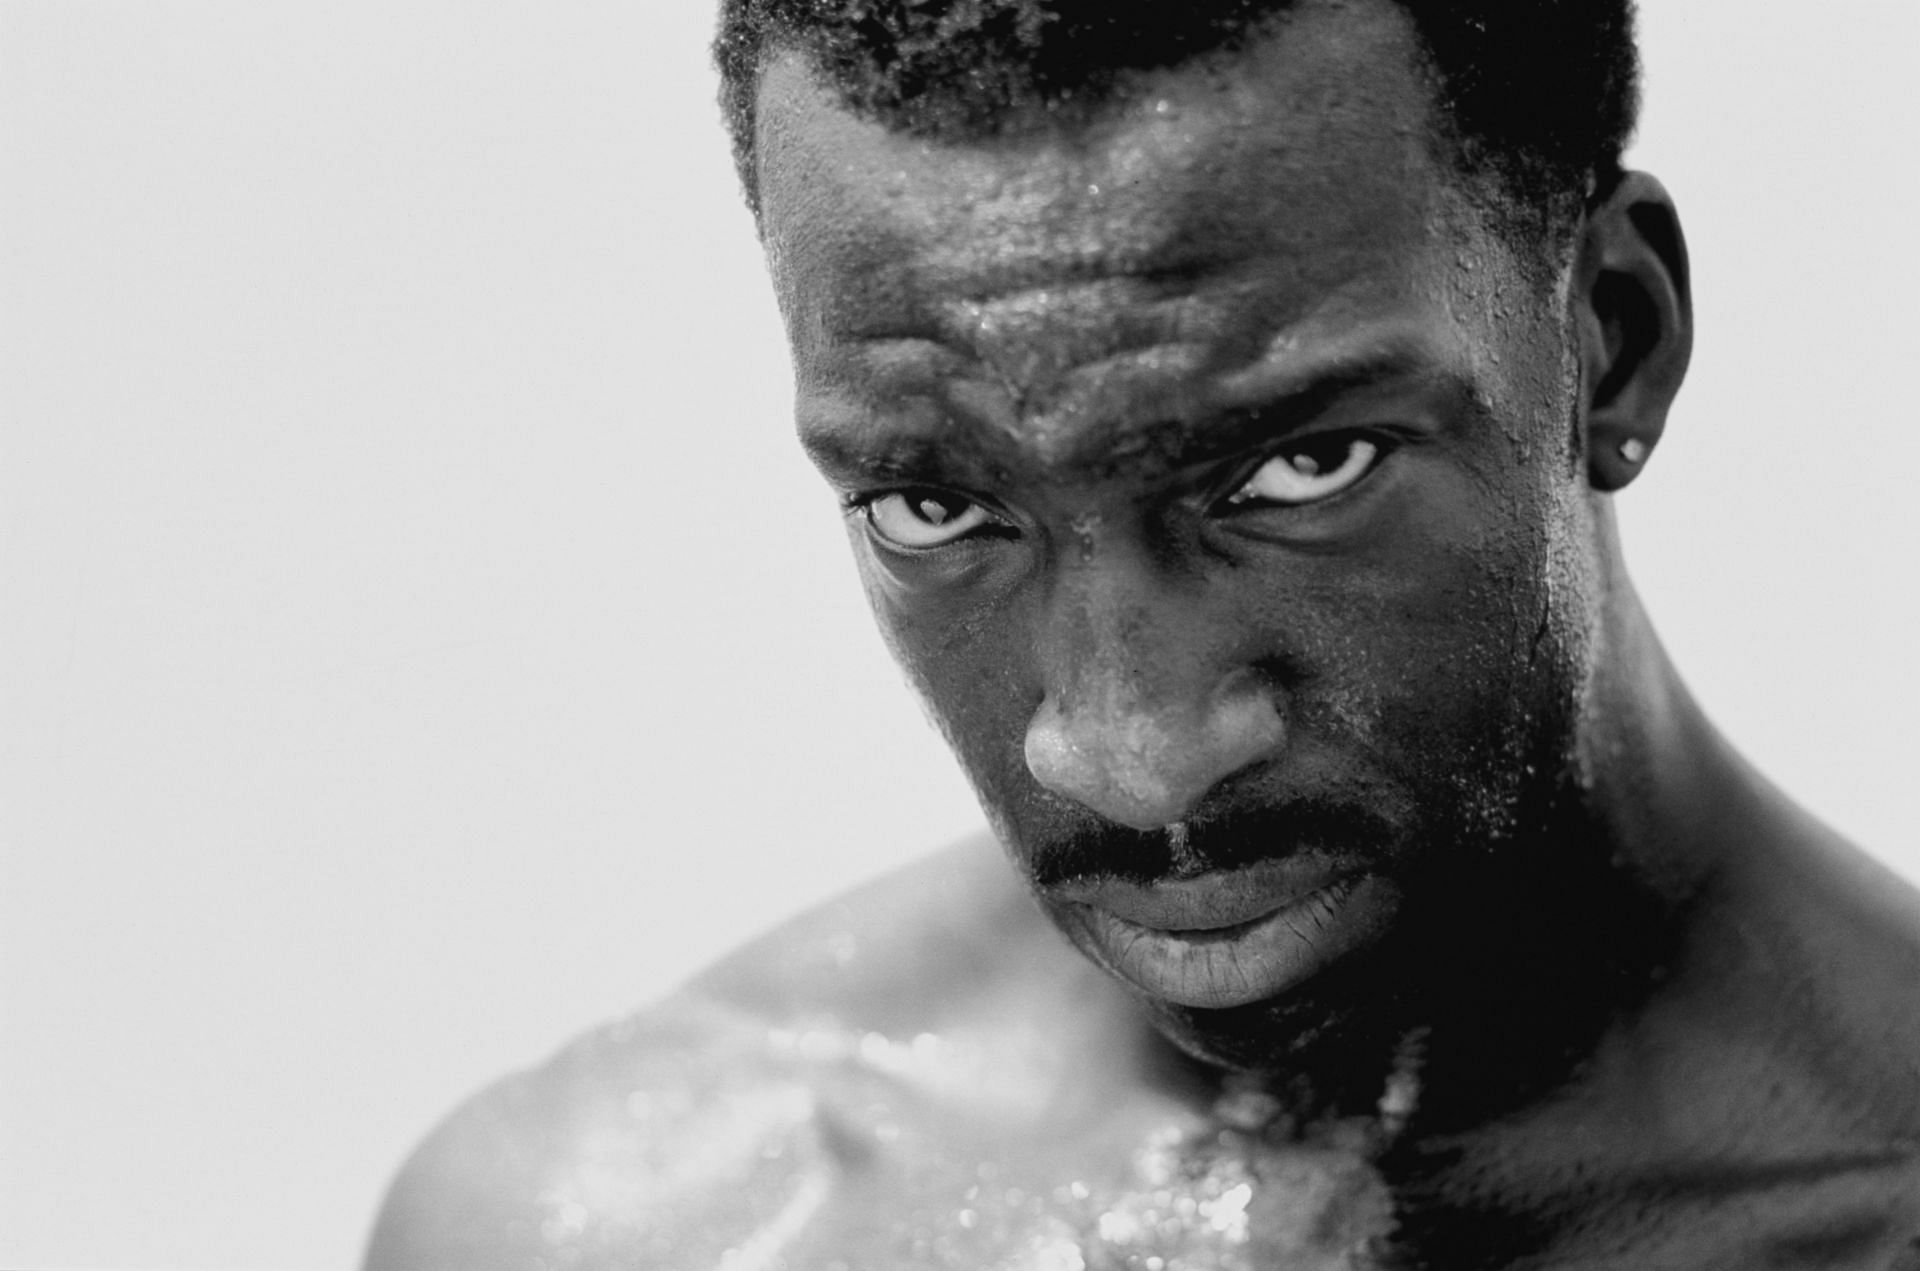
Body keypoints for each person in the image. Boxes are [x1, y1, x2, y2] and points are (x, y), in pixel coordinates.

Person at [364, 1, 1920, 1266]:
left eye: (1300, 467)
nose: (1131, 752)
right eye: (936, 508)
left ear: (1615, 337)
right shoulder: (621, 1222)